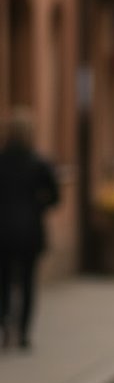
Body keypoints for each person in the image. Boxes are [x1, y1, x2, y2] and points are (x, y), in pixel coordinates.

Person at [0, 108, 60, 350]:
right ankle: (23, 333)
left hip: (3, 231)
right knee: (27, 282)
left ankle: (5, 324)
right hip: (30, 232)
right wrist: (37, 206)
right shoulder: (39, 163)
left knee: (3, 281)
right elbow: (55, 197)